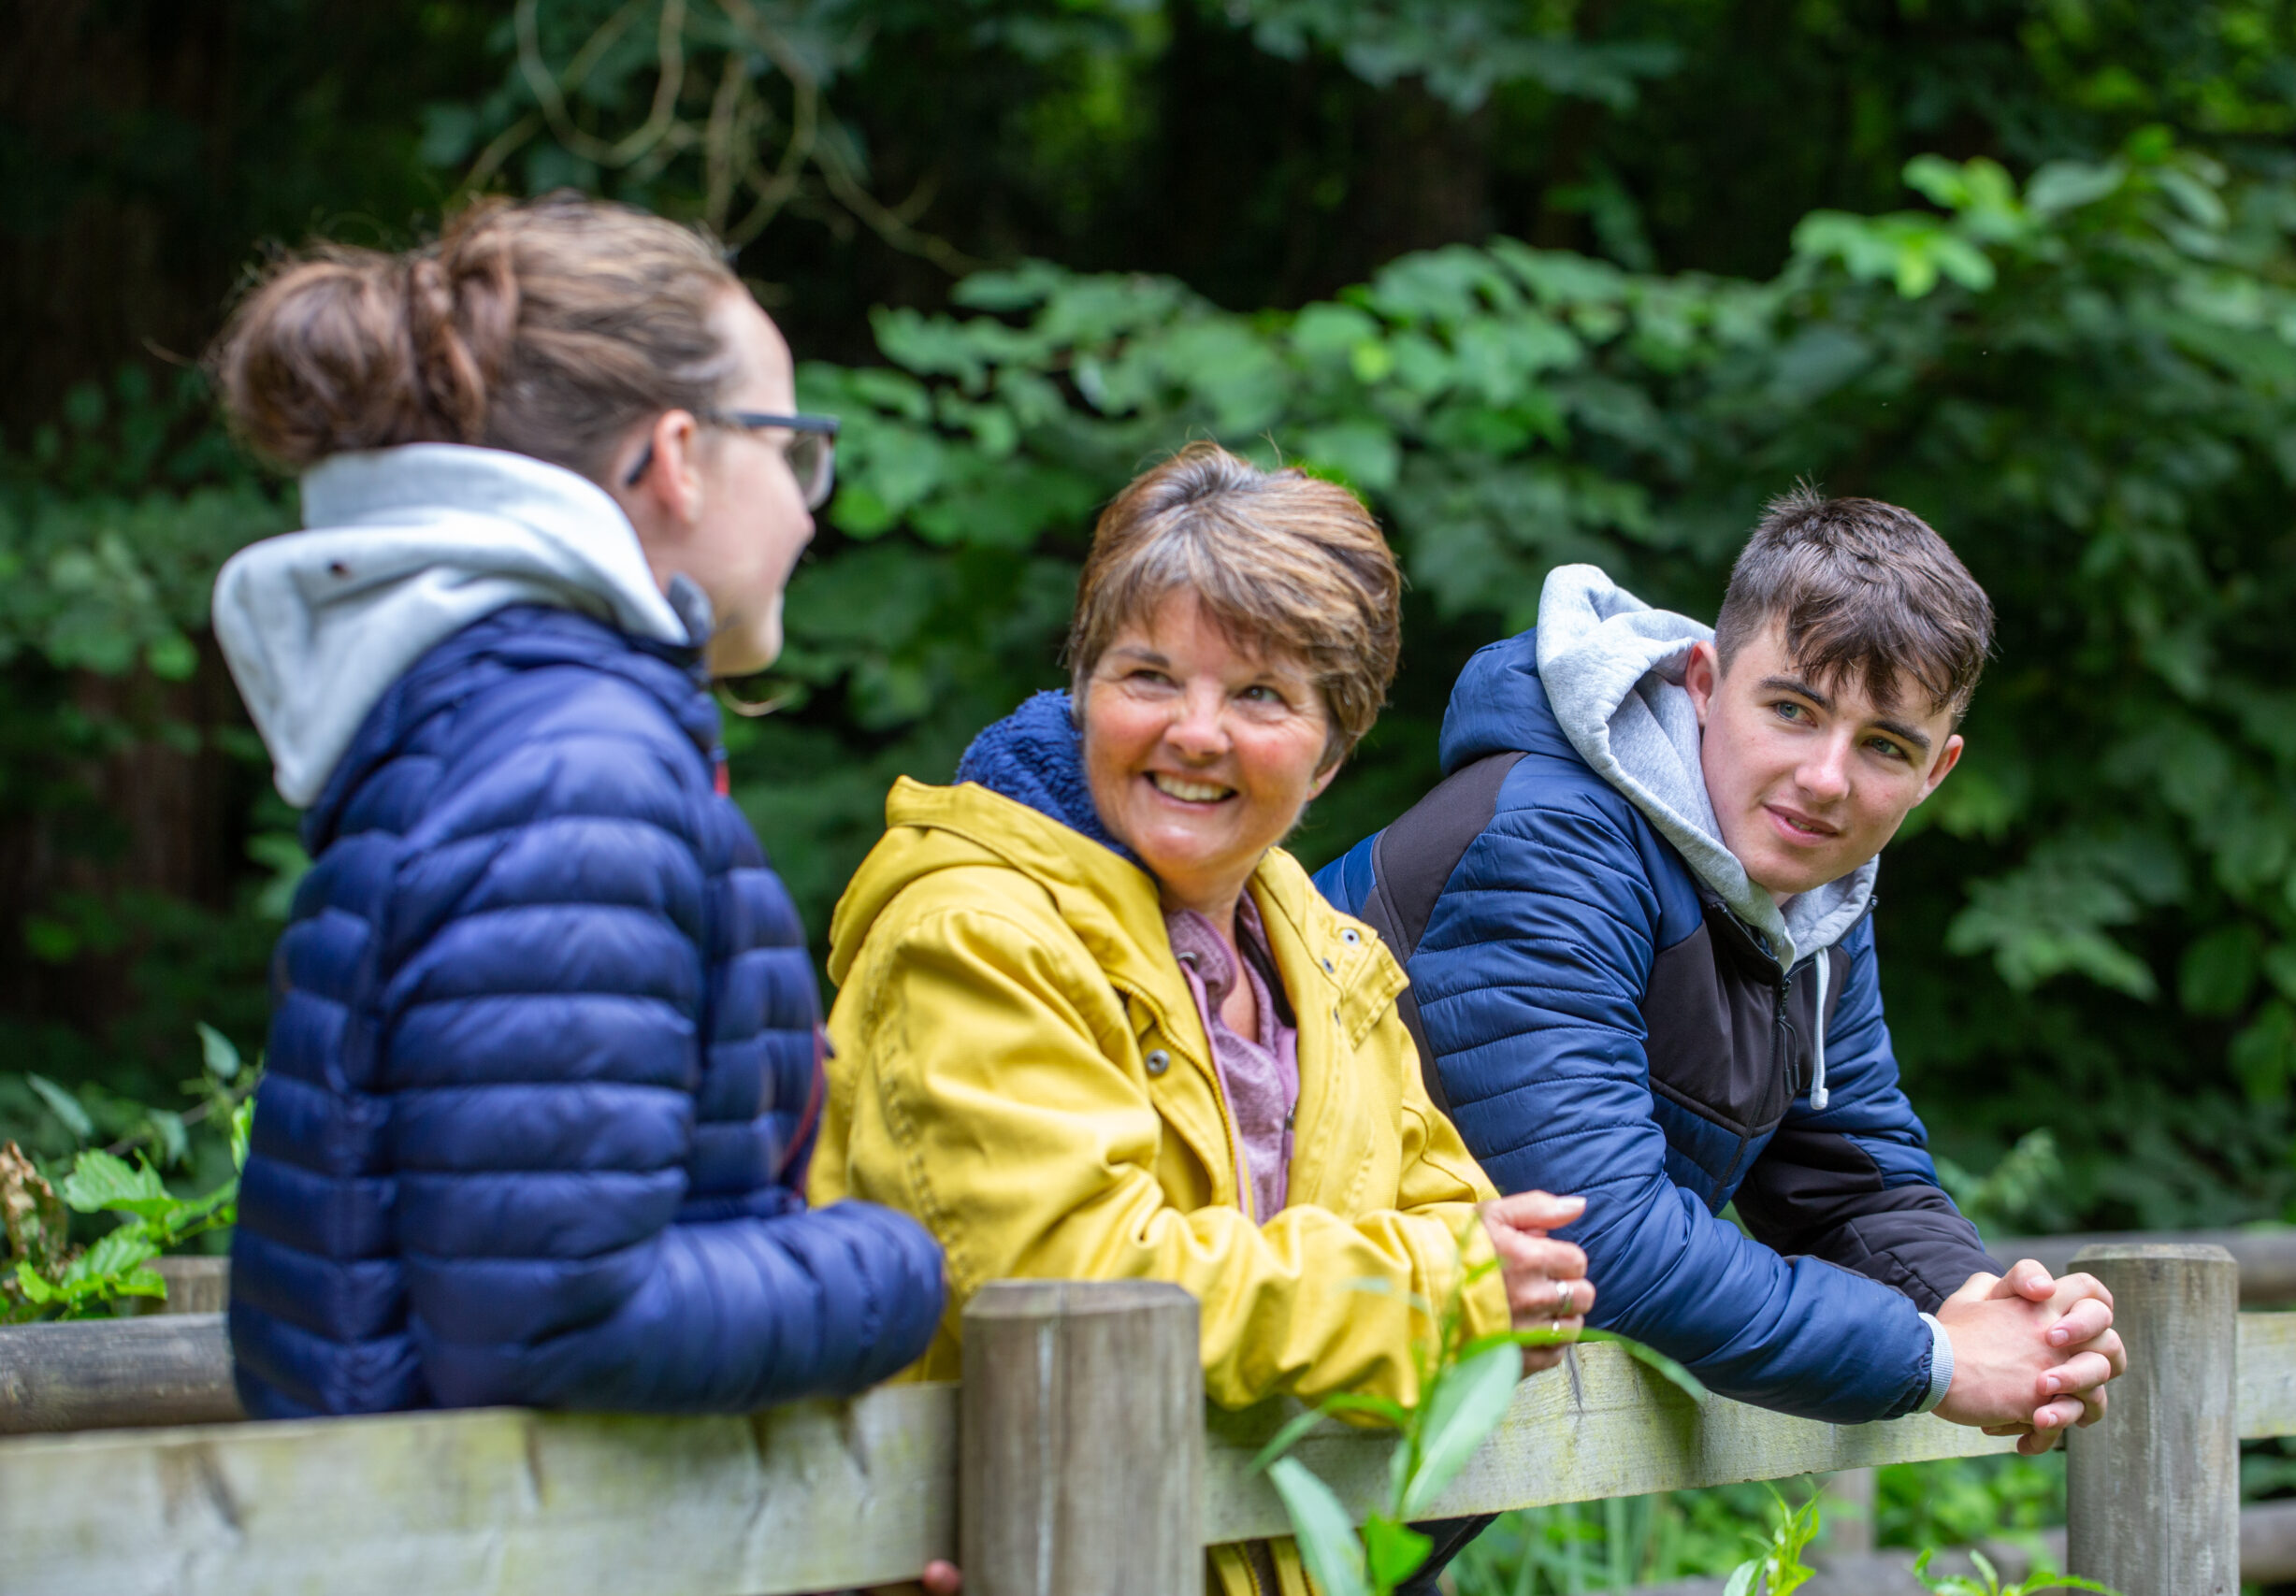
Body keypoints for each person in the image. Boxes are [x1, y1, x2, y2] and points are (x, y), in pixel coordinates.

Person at [809, 442, 1594, 1596]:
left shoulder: (1325, 957)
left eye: (1261, 695)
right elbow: (1082, 1300)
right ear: (1084, 691)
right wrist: (1437, 1291)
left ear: (1331, 751)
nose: (1195, 731)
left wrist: (1468, 1281)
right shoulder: (974, 936)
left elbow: (1472, 1228)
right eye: (1148, 677)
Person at [209, 194, 946, 1419]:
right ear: (676, 459)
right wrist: (895, 1266)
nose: (812, 506)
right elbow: (557, 1317)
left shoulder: (504, 725)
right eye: (791, 446)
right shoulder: (571, 767)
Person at [1318, 491, 2126, 1448]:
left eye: (1882, 746)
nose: (1825, 779)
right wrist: (1936, 1359)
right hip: (1227, 1424)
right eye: (1791, 710)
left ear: (1936, 771)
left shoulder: (1807, 896)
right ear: (1702, 680)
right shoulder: (1550, 844)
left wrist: (1997, 1311)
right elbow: (1592, 1241)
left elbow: (1847, 1181)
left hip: (1362, 1468)